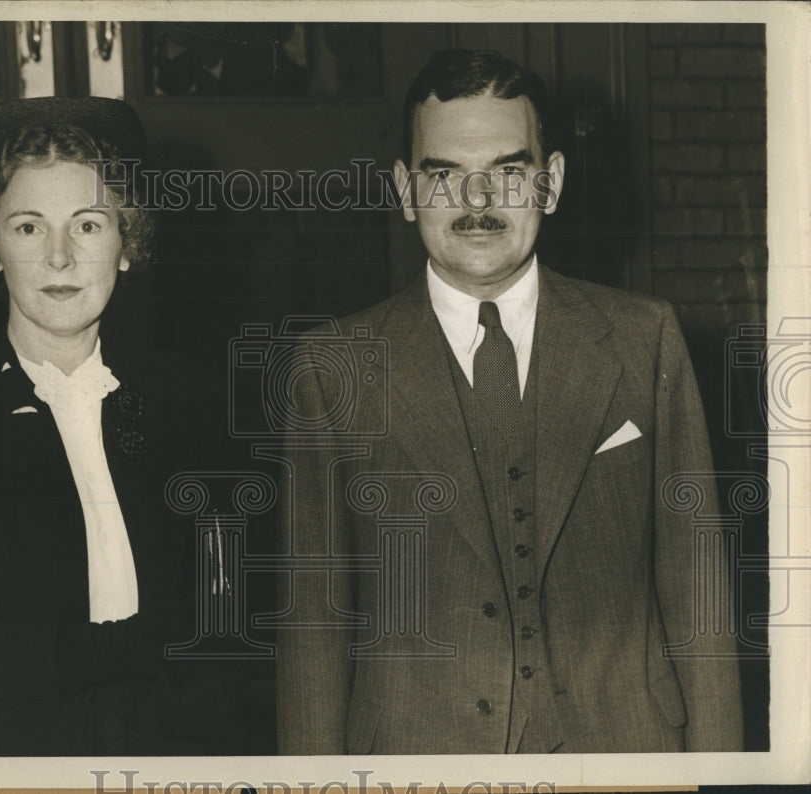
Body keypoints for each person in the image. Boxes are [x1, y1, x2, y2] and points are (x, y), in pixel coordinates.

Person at [276, 49, 743, 754]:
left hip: (622, 750)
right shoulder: (333, 367)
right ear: (405, 190)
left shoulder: (646, 339)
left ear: (550, 183)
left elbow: (698, 595)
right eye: (445, 176)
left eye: (507, 171)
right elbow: (313, 629)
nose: (477, 203)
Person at [0, 97, 249, 756]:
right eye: (28, 228)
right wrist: (116, 650)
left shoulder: (189, 392)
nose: (61, 258)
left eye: (89, 226)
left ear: (128, 244)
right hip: (7, 756)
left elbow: (227, 607)